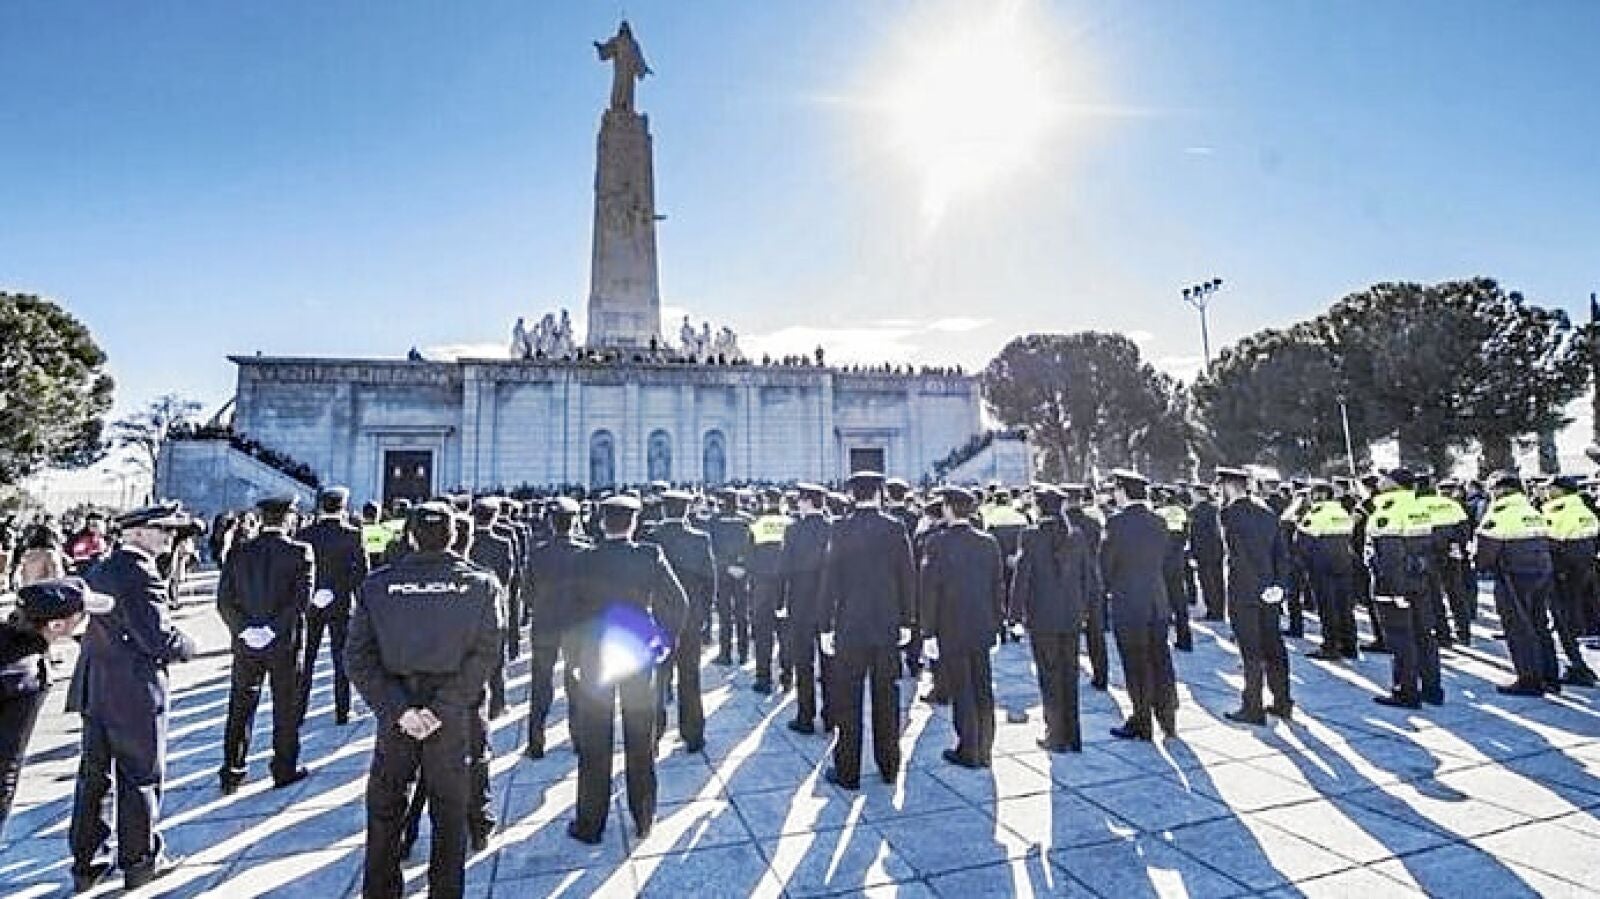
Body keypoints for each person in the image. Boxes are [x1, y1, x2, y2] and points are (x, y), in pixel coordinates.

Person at [347, 502, 502, 899]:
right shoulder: (480, 584)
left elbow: (357, 658)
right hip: (450, 718)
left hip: (398, 715)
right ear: (454, 536)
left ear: (411, 537)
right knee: (449, 815)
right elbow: (487, 654)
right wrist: (442, 709)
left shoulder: (377, 585)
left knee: (386, 811)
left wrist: (400, 711)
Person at [68, 504, 199, 892]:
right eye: (162, 530)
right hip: (134, 690)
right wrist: (188, 645)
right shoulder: (141, 573)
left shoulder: (103, 568)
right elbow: (158, 638)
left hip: (97, 685)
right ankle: (141, 860)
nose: (169, 537)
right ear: (137, 533)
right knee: (140, 775)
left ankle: (87, 863)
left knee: (94, 778)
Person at [567, 495, 689, 844]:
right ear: (633, 523)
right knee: (640, 736)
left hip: (596, 653)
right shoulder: (649, 555)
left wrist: (574, 659)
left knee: (595, 739)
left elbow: (570, 614)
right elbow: (678, 602)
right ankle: (644, 816)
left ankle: (591, 823)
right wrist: (665, 642)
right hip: (637, 650)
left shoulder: (584, 559)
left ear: (601, 522)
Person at [818, 471, 917, 789]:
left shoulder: (840, 529)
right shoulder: (895, 528)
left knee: (848, 700)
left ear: (852, 495)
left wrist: (825, 625)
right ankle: (889, 766)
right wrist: (908, 620)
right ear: (879, 494)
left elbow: (830, 580)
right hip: (887, 625)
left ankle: (848, 771)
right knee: (887, 697)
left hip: (850, 625)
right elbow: (907, 576)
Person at [1, 578, 114, 839]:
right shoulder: (29, 675)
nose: (86, 619)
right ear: (56, 625)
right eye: (81, 614)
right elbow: (8, 757)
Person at [216, 496, 315, 794]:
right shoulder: (300, 551)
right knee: (286, 707)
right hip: (283, 642)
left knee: (240, 706)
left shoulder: (239, 551)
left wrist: (245, 629)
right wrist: (272, 629)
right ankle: (284, 768)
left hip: (247, 644)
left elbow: (224, 600)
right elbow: (301, 601)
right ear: (289, 519)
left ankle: (232, 770)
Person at [920, 486, 1005, 768]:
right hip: (982, 623)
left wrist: (928, 631)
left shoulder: (936, 543)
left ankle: (968, 748)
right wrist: (998, 624)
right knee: (983, 687)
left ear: (947, 508)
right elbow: (997, 587)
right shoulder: (988, 542)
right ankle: (985, 746)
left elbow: (929, 591)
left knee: (962, 689)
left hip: (951, 625)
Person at [1010, 485, 1093, 752]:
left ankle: (1055, 735)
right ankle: (1073, 735)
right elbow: (1088, 576)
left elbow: (1022, 578)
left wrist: (1014, 616)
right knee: (1070, 675)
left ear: (1039, 507)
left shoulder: (1031, 535)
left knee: (1049, 677)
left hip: (1042, 617)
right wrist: (1085, 610)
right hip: (1071, 615)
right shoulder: (1076, 536)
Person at [1100, 470, 1178, 741]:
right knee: (1161, 659)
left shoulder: (1116, 523)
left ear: (1122, 491)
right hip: (1157, 600)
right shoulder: (1159, 521)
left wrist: (1105, 590)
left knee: (1136, 663)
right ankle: (1168, 717)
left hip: (1129, 602)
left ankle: (1141, 720)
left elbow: (1106, 564)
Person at [1216, 468, 1294, 725]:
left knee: (1250, 652)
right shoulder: (1266, 512)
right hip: (1270, 591)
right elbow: (1281, 553)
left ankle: (1253, 707)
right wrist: (1278, 585)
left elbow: (1239, 556)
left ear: (1228, 486)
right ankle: (1282, 701)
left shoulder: (1229, 514)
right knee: (1274, 647)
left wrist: (1256, 586)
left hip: (1245, 591)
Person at [641, 490, 713, 752]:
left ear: (663, 509)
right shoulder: (700, 539)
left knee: (658, 679)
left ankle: (654, 735)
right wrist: (704, 614)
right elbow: (710, 581)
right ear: (687, 510)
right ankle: (693, 735)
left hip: (659, 617)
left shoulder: (651, 539)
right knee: (690, 676)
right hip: (691, 618)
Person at [1476, 471, 1560, 696]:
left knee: (1518, 628)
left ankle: (1529, 680)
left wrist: (1480, 566)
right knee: (1540, 625)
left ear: (1501, 490)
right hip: (1541, 572)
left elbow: (1486, 551)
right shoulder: (1532, 510)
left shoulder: (1500, 512)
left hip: (1514, 575)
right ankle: (1550, 676)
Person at [1366, 469, 1443, 708]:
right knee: (1424, 636)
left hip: (1395, 584)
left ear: (1394, 484)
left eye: (1385, 478)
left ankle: (1406, 691)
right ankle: (1432, 689)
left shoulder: (1388, 510)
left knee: (1400, 638)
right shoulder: (1419, 507)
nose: (1380, 481)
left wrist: (1395, 590)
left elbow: (1390, 555)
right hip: (1420, 579)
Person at [524, 497, 591, 758]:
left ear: (551, 523)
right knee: (576, 683)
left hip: (545, 625)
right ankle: (579, 739)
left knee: (540, 684)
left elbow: (527, 593)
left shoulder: (538, 553)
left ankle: (535, 742)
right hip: (576, 627)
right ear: (574, 523)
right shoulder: (585, 552)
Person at [298, 486, 370, 727]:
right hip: (340, 604)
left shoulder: (305, 533)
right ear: (343, 507)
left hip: (311, 604)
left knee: (306, 658)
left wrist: (315, 592)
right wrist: (337, 591)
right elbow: (360, 573)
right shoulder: (352, 535)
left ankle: (298, 709)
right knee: (341, 659)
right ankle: (343, 710)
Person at [780, 483, 833, 734]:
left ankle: (805, 716)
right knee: (830, 663)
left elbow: (784, 569)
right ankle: (831, 715)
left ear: (808, 502)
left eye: (800, 500)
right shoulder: (834, 528)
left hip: (800, 604)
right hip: (829, 605)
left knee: (804, 664)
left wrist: (780, 602)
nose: (798, 504)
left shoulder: (793, 530)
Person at [1540, 476, 1599, 687]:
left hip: (1562, 570)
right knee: (1575, 615)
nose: (1546, 492)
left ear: (1560, 491)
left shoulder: (1555, 510)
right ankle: (1578, 663)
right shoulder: (1584, 509)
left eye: (1550, 488)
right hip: (1586, 567)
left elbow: (1549, 540)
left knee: (1562, 618)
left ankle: (1578, 667)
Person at [1297, 481, 1359, 661]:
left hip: (1323, 565)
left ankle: (1330, 646)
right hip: (1344, 563)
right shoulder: (1342, 511)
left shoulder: (1317, 512)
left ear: (1318, 495)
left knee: (1327, 607)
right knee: (1345, 606)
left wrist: (1304, 562)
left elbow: (1303, 540)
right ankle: (1349, 645)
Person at [467, 498, 516, 719]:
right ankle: (498, 703)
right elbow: (507, 575)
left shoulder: (465, 540)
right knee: (497, 657)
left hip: (469, 607)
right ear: (494, 517)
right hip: (494, 604)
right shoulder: (503, 543)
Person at [1063, 484, 1109, 690]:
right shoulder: (1093, 523)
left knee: (1068, 635)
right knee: (1095, 633)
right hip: (1092, 581)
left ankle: (1069, 678)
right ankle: (1101, 676)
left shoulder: (1062, 526)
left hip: (1068, 584)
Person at [746, 488, 792, 693]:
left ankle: (763, 678)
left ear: (765, 501)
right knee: (786, 634)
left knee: (763, 634)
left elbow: (749, 558)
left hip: (763, 586)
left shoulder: (757, 525)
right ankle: (787, 676)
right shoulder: (791, 524)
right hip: (786, 586)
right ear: (782, 502)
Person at [1154, 487, 1194, 651]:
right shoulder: (1182, 512)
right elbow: (1186, 535)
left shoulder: (1158, 514)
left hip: (1161, 561)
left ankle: (1161, 640)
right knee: (1179, 601)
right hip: (1177, 560)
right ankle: (1185, 639)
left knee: (1161, 603)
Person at [1189, 485, 1226, 622]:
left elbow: (1194, 535)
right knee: (1218, 581)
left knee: (1207, 582)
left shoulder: (1195, 511)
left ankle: (1212, 611)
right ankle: (1220, 611)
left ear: (1198, 494)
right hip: (1217, 550)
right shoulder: (1215, 509)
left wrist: (1192, 553)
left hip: (1203, 552)